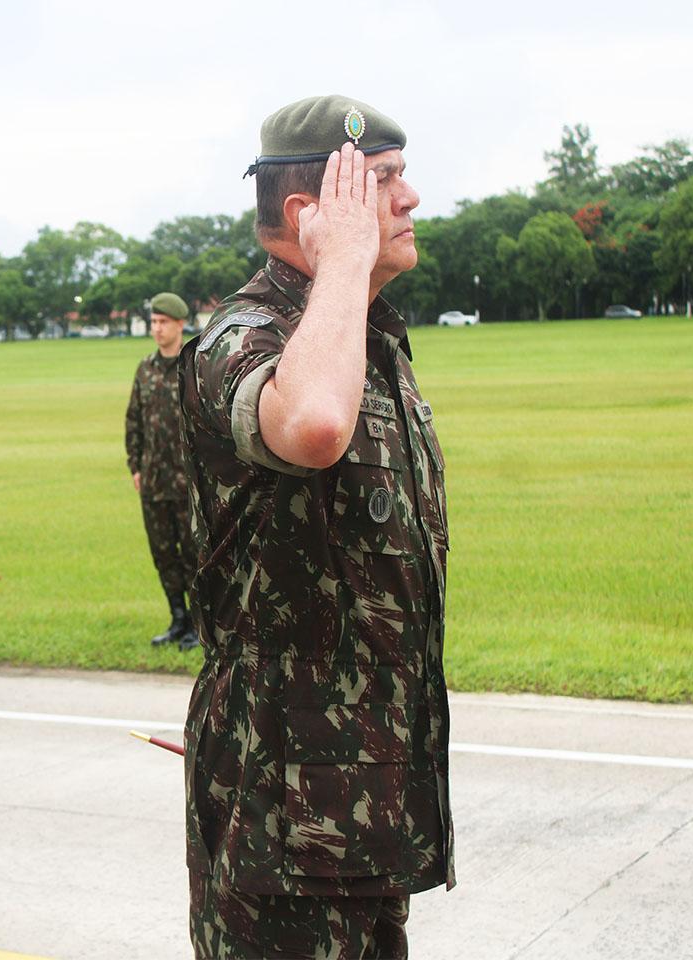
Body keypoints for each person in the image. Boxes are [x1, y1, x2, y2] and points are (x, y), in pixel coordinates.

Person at [180, 96, 453, 958]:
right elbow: (313, 429)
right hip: (282, 825)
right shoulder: (242, 334)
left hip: (367, 803)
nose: (409, 198)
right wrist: (339, 266)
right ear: (309, 213)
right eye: (382, 180)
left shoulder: (365, 336)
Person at [125, 291, 197, 650]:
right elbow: (134, 419)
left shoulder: (196, 366)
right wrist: (135, 465)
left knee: (193, 555)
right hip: (153, 481)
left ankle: (199, 625)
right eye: (153, 322)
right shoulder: (145, 368)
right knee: (163, 555)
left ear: (180, 324)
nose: (156, 329)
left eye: (163, 322)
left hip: (189, 483)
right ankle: (177, 618)